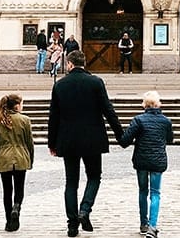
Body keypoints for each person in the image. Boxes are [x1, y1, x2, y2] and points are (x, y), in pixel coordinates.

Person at [48, 50, 124, 237]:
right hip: (92, 139)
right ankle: (85, 209)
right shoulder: (95, 82)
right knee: (94, 177)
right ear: (84, 63)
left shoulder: (60, 85)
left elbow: (53, 117)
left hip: (68, 140)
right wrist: (121, 135)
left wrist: (52, 143)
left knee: (71, 182)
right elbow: (108, 110)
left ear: (70, 64)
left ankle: (72, 224)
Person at [119, 90, 174, 238]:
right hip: (157, 161)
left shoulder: (138, 120)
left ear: (144, 105)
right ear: (158, 104)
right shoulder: (165, 121)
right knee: (155, 193)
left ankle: (143, 223)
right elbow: (170, 139)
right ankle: (152, 226)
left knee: (143, 191)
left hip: (142, 160)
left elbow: (125, 140)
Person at [0, 93, 34, 233]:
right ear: (16, 106)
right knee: (19, 188)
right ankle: (17, 207)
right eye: (21, 104)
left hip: (4, 159)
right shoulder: (25, 120)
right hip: (21, 158)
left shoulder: (0, 121)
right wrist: (30, 159)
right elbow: (29, 143)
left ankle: (9, 221)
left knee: (7, 191)